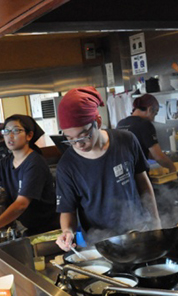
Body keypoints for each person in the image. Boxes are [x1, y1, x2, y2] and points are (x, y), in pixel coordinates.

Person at [55, 87, 161, 251]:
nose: (78, 144)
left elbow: (143, 183)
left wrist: (156, 223)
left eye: (83, 136)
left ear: (97, 122)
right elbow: (67, 209)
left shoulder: (126, 140)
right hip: (100, 244)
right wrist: (67, 231)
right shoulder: (67, 166)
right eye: (70, 139)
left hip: (139, 232)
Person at [117, 94, 176, 172]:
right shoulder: (145, 124)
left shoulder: (121, 123)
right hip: (139, 176)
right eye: (155, 114)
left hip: (123, 175)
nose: (153, 120)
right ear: (150, 109)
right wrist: (172, 168)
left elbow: (136, 151)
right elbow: (158, 157)